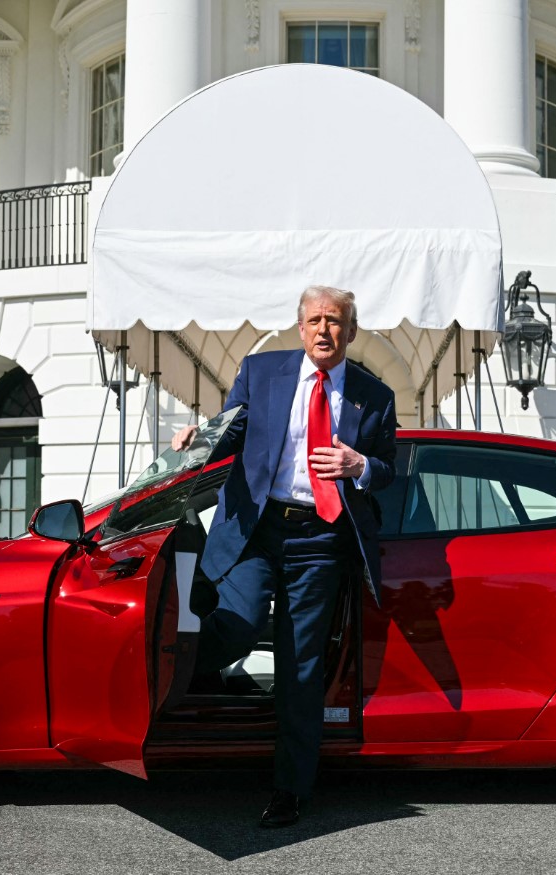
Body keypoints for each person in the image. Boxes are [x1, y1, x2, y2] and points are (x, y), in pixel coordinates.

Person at [171, 285, 397, 827]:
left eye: (335, 321)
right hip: (258, 527)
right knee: (240, 623)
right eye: (315, 320)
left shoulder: (375, 395)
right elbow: (231, 432)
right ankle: (176, 682)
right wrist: (199, 437)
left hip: (321, 538)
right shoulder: (261, 371)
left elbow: (389, 468)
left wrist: (361, 466)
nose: (324, 330)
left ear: (351, 331)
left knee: (301, 665)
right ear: (301, 328)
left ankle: (290, 789)